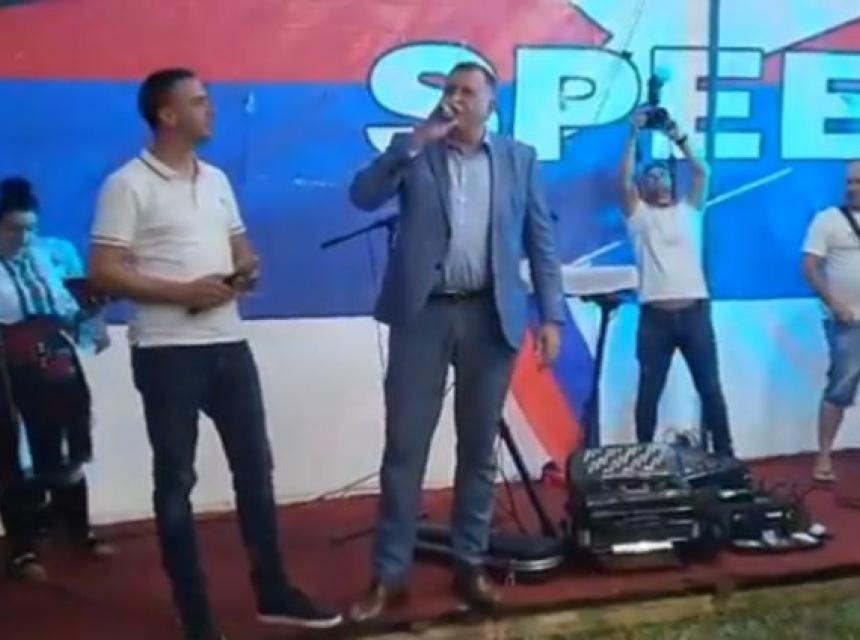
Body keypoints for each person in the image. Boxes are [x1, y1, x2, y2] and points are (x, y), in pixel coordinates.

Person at [87, 68, 340, 640]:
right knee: (176, 479)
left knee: (255, 468)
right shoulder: (127, 185)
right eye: (200, 101)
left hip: (228, 342)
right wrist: (182, 293)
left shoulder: (218, 179)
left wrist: (245, 269)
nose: (212, 109)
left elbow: (239, 246)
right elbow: (104, 270)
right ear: (168, 115)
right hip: (167, 352)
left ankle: (273, 590)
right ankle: (194, 610)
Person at [348, 62, 564, 621]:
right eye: (450, 90)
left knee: (478, 451)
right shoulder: (417, 152)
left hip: (490, 316)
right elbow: (363, 196)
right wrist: (415, 141)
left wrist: (552, 317)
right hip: (423, 315)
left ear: (491, 103)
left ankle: (470, 564)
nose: (456, 99)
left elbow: (540, 242)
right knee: (404, 449)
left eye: (468, 91)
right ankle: (389, 575)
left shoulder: (519, 159)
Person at [0, 177, 111, 581]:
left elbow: (72, 307)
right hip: (7, 362)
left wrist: (92, 313)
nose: (24, 237)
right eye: (14, 229)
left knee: (67, 441)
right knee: (10, 451)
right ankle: (23, 549)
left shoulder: (53, 253)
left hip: (53, 354)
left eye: (30, 228)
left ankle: (76, 530)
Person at [619, 108, 734, 457]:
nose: (659, 181)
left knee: (710, 388)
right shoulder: (639, 218)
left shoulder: (690, 211)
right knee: (649, 392)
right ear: (643, 187)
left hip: (695, 313)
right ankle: (645, 457)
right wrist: (633, 134)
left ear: (672, 181)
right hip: (655, 318)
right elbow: (623, 180)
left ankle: (726, 455)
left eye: (663, 175)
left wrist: (676, 134)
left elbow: (702, 170)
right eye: (650, 177)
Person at [802, 160, 860, 484]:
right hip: (847, 321)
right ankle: (823, 456)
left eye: (858, 181)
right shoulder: (828, 220)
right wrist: (835, 304)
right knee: (839, 389)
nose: (852, 187)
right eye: (849, 181)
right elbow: (809, 267)